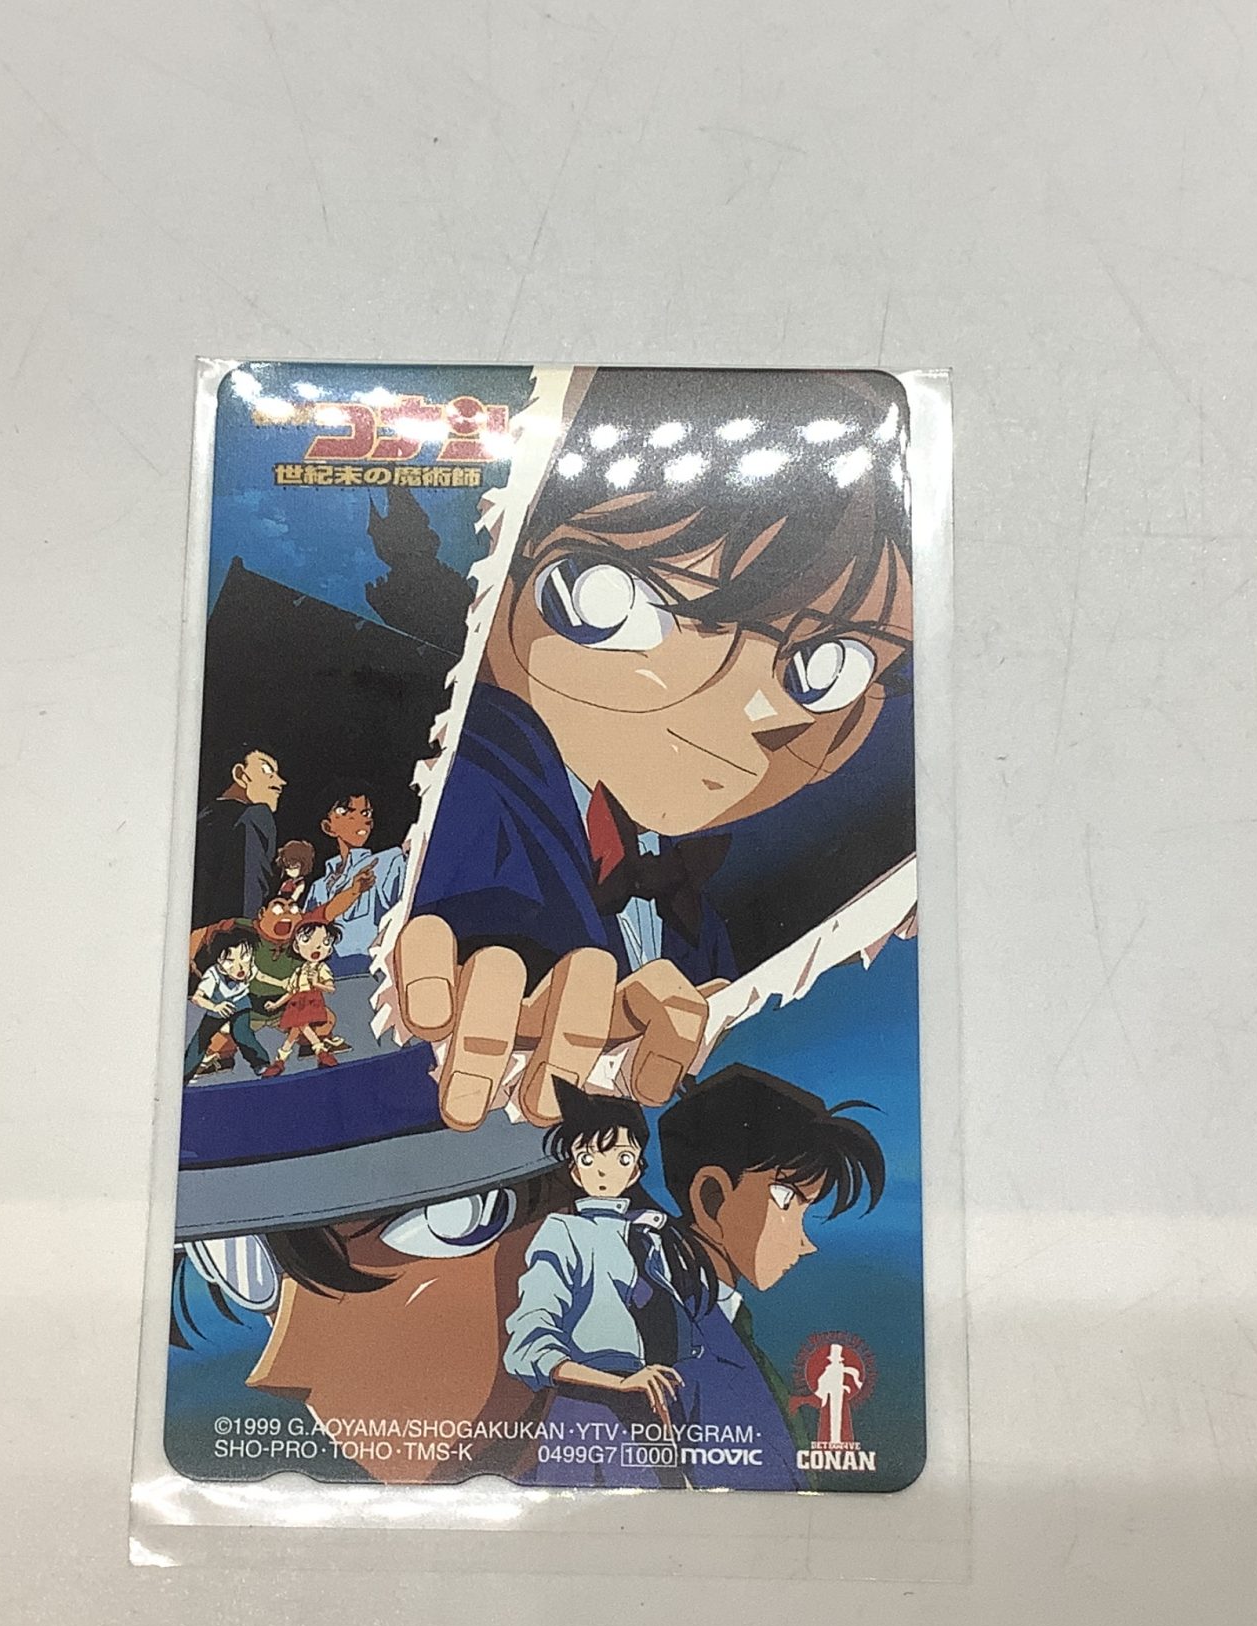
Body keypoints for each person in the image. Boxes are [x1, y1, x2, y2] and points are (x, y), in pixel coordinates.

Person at [392, 368, 916, 1130]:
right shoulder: (477, 778)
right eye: (615, 599)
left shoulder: (679, 880)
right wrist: (485, 966)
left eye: (826, 667)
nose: (751, 706)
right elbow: (447, 895)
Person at [655, 1065, 886, 1488]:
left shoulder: (719, 1319)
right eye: (787, 1200)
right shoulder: (672, 1333)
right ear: (712, 1198)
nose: (805, 1242)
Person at [501, 1084, 710, 1489]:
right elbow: (529, 1344)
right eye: (588, 1157)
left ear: (636, 1169)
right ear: (574, 1169)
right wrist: (620, 1383)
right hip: (587, 1405)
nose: (602, 1170)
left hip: (649, 1404)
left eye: (621, 1158)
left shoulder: (648, 1236)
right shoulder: (563, 1233)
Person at [302, 792, 409, 961]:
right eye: (345, 812)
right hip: (322, 968)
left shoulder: (390, 861)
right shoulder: (319, 886)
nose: (361, 819)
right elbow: (303, 931)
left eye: (366, 813)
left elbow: (405, 913)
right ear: (328, 826)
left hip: (368, 965)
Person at [190, 747, 287, 925]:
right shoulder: (255, 816)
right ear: (241, 774)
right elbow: (248, 891)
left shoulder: (201, 819)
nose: (281, 782)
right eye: (267, 771)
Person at [183, 926, 279, 1082]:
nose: (239, 966)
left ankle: (261, 1064)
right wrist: (215, 1007)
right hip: (217, 1008)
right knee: (202, 1038)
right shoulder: (212, 974)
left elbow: (260, 976)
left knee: (242, 1033)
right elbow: (197, 998)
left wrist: (281, 983)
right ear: (219, 961)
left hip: (240, 1003)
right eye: (230, 961)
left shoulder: (249, 967)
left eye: (244, 956)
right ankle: (184, 1074)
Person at [268, 916, 347, 1069]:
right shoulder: (299, 971)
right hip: (296, 1003)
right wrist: (276, 1004)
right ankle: (288, 1058)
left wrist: (317, 984)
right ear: (296, 946)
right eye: (307, 940)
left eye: (324, 942)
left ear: (330, 948)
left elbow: (331, 988)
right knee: (296, 1030)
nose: (316, 948)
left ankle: (288, 1058)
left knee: (301, 1025)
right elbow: (291, 991)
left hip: (312, 1001)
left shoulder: (321, 968)